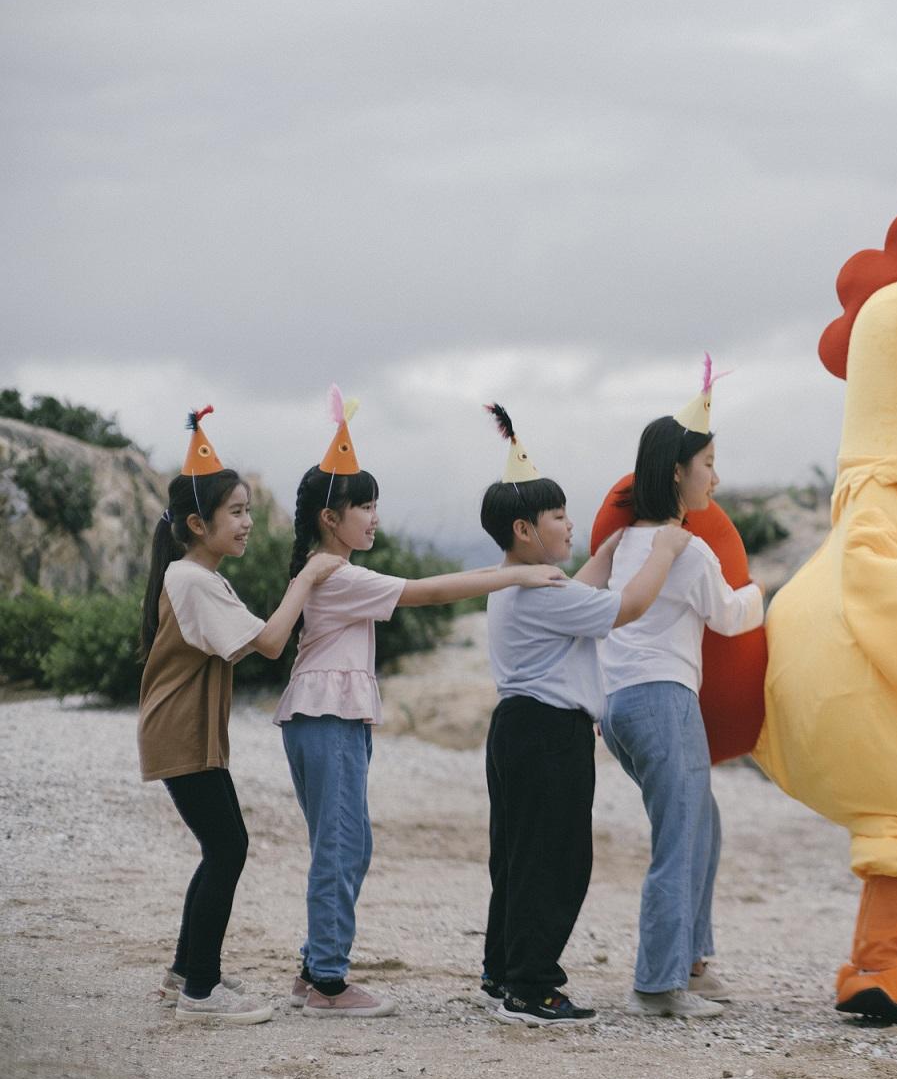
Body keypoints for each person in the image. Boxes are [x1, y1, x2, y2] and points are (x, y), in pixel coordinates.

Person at [275, 386, 567, 1018]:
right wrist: (516, 572)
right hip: (326, 719)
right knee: (342, 845)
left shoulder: (329, 569)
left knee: (347, 844)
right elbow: (429, 591)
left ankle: (314, 969)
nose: (375, 518)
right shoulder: (339, 573)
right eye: (366, 507)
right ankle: (327, 981)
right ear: (333, 517)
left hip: (329, 718)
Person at [475, 403, 689, 1026]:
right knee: (557, 862)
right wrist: (665, 550)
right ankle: (531, 987)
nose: (570, 525)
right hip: (548, 733)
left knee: (516, 857)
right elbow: (626, 606)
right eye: (558, 516)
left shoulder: (517, 580)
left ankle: (503, 970)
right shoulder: (541, 590)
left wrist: (615, 544)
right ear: (524, 528)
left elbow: (588, 591)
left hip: (517, 728)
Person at [139, 407, 340, 1025]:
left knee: (219, 847)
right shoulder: (195, 581)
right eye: (237, 512)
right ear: (197, 523)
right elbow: (274, 643)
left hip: (183, 733)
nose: (248, 523)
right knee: (228, 848)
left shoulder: (197, 576)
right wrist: (307, 578)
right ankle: (203, 990)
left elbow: (259, 640)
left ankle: (185, 976)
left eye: (249, 510)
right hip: (181, 732)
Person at [599, 368, 764, 1019]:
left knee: (703, 823)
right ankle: (658, 983)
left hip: (619, 706)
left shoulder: (625, 543)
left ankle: (692, 960)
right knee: (680, 836)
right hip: (664, 700)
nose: (714, 479)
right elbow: (728, 614)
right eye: (708, 464)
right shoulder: (687, 549)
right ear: (676, 472)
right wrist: (765, 592)